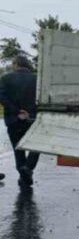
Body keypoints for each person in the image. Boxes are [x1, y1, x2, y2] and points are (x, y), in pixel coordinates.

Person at [0, 55, 39, 187]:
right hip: (33, 118)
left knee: (18, 149)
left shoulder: (5, 78)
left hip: (13, 118)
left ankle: (24, 173)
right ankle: (28, 168)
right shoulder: (37, 78)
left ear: (16, 64)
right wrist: (30, 112)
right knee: (36, 145)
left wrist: (17, 111)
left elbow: (2, 97)